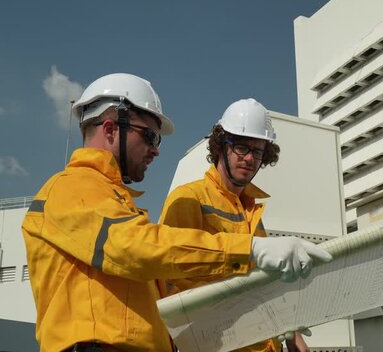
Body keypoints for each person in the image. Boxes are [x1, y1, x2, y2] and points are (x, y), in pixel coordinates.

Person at [22, 74, 332, 352]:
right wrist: (250, 249)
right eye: (150, 136)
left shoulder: (114, 200)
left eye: (259, 151)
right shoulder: (71, 188)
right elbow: (135, 247)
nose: (157, 149)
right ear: (110, 129)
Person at [159, 98, 311, 352]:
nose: (250, 158)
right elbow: (172, 285)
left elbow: (267, 283)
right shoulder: (189, 199)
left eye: (258, 151)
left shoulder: (252, 211)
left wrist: (291, 333)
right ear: (221, 147)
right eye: (241, 147)